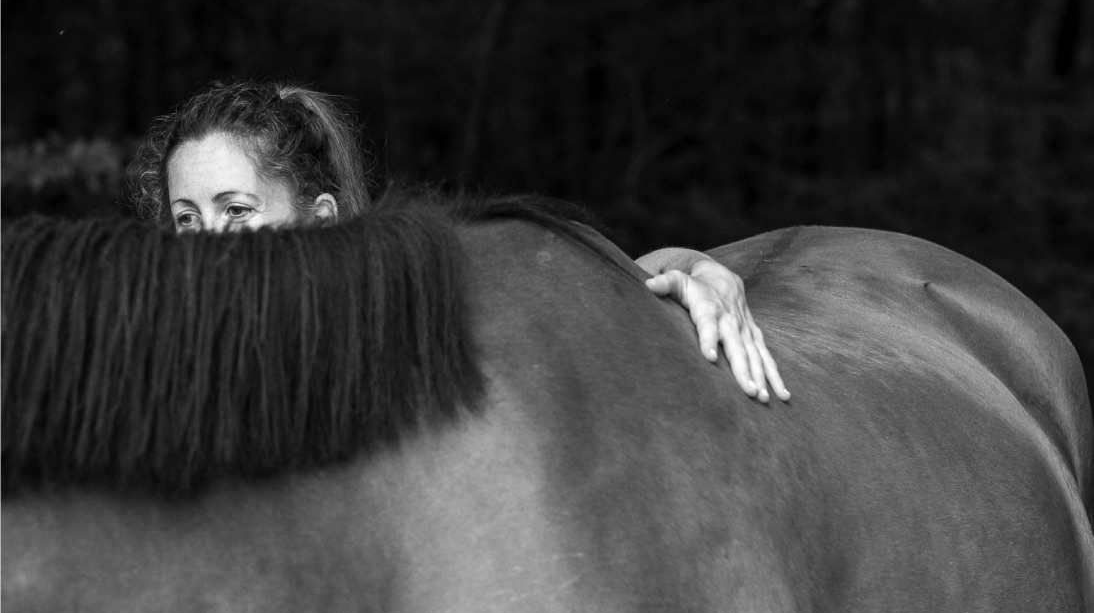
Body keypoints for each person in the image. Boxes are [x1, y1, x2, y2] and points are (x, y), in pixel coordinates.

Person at [131, 79, 789, 402]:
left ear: (323, 217)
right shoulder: (165, 364)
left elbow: (559, 303)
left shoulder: (392, 317)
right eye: (185, 219)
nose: (204, 245)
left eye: (237, 210)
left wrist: (698, 267)